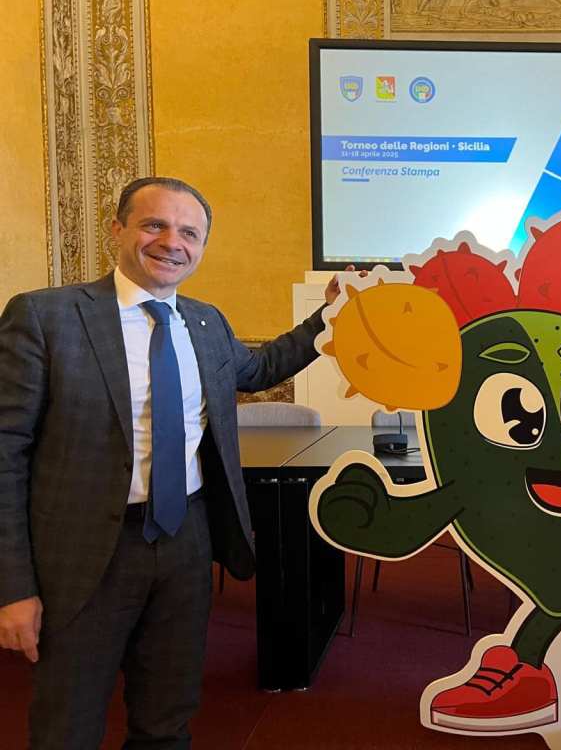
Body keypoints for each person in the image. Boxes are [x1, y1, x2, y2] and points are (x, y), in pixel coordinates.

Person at [0, 177, 340, 748]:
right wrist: (12, 587)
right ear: (117, 229)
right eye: (154, 225)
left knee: (168, 716)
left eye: (189, 233)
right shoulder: (46, 317)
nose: (172, 243)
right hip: (83, 556)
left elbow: (259, 370)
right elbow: (6, 453)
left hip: (186, 543)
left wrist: (329, 316)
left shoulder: (205, 323)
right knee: (67, 723)